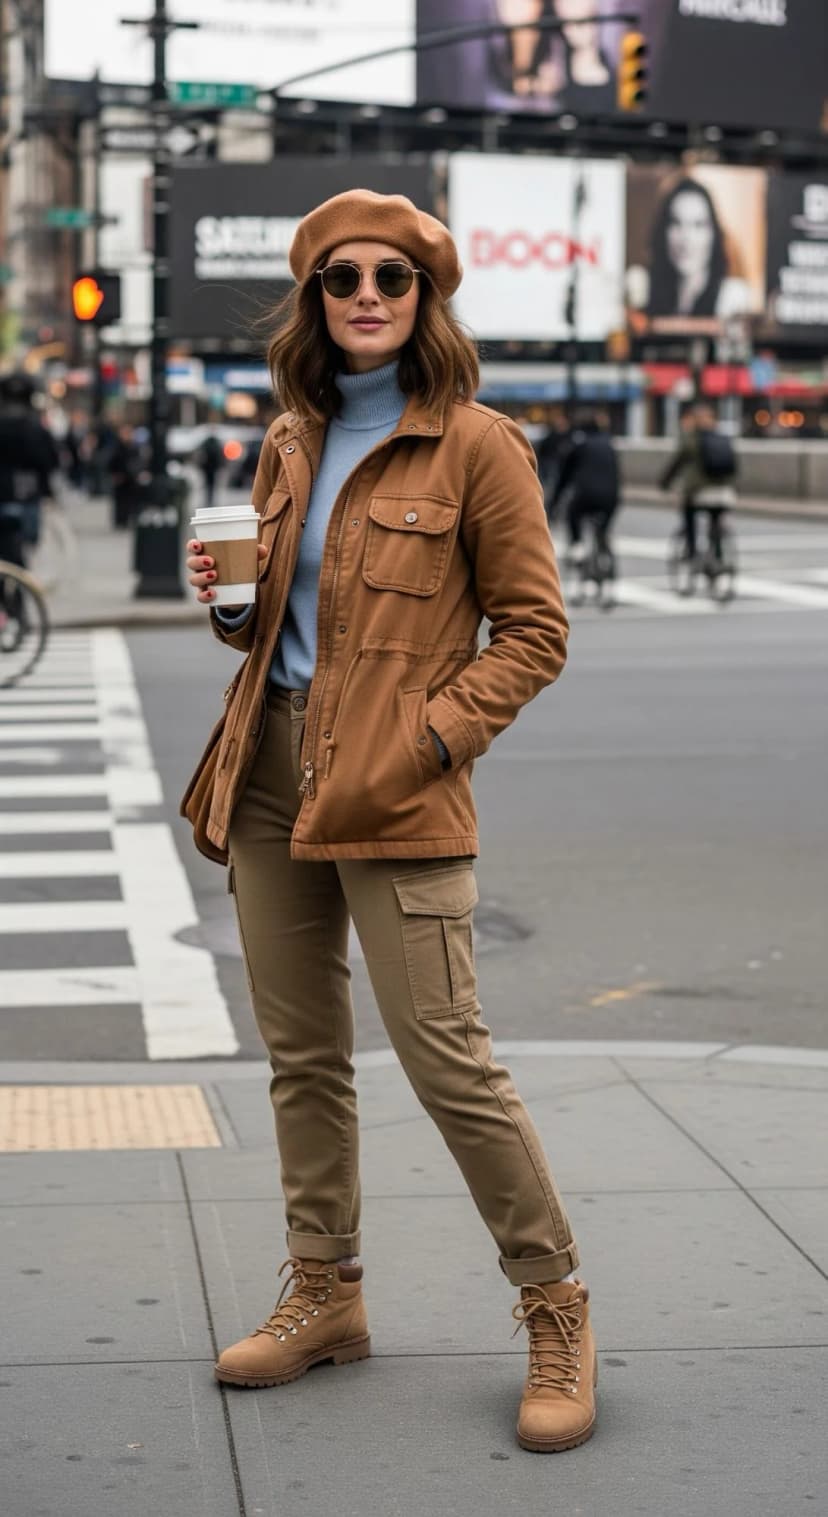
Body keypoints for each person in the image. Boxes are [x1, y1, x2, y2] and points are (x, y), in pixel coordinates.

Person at [183, 189, 597, 1454]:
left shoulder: (480, 445)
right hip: (268, 766)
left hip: (401, 783)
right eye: (341, 278)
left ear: (427, 298)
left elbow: (535, 634)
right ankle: (328, 1292)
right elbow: (287, 623)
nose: (366, 294)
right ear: (312, 299)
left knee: (447, 1059)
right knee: (301, 1053)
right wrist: (233, 608)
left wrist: (427, 738)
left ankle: (556, 1304)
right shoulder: (291, 438)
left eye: (393, 278)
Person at [627, 175, 754, 330]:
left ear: (714, 234)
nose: (686, 239)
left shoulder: (732, 295)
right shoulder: (641, 285)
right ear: (663, 231)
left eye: (698, 225)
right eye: (676, 223)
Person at [660, 403, 737, 561]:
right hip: (724, 493)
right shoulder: (723, 438)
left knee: (688, 513)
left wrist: (664, 483)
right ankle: (717, 554)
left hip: (699, 491)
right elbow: (734, 467)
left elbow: (677, 463)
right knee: (715, 519)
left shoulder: (692, 439)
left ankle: (691, 550)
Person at [0, 372, 60, 569]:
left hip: (8, 496)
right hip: (28, 497)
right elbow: (50, 462)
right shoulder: (35, 428)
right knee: (24, 548)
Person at [552, 410, 620, 573]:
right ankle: (603, 550)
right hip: (612, 497)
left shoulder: (579, 444)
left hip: (586, 495)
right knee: (603, 526)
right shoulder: (608, 443)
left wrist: (554, 501)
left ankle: (578, 545)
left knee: (572, 513)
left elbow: (564, 476)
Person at [197, 432, 223, 507]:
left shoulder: (206, 444)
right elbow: (219, 456)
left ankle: (208, 499)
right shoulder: (215, 444)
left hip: (207, 467)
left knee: (208, 484)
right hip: (212, 468)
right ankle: (210, 499)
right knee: (212, 484)